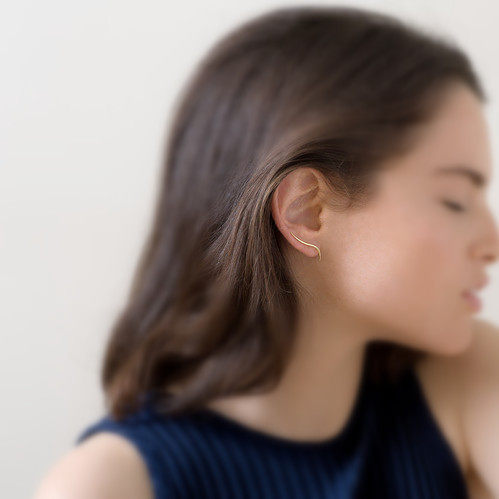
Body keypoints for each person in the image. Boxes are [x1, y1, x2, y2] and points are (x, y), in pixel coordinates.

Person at [34, 5, 499, 499]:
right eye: (454, 200)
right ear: (307, 210)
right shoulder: (107, 484)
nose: (492, 243)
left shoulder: (466, 378)